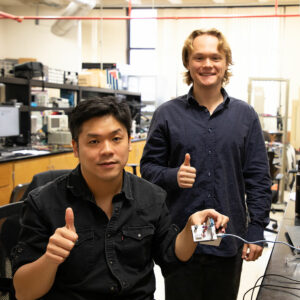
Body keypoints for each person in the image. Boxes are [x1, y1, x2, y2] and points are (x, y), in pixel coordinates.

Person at [11, 97, 229, 300]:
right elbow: (23, 292)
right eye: (94, 142)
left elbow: (171, 257)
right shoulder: (44, 202)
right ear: (75, 148)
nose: (107, 150)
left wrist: (193, 229)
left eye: (116, 139)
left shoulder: (151, 196)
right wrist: (50, 258)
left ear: (129, 142)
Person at [140, 28, 272, 300]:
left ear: (226, 63)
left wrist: (257, 227)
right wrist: (172, 175)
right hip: (180, 241)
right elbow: (148, 170)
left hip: (228, 239)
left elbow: (258, 178)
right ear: (188, 63)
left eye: (215, 57)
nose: (208, 64)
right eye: (199, 57)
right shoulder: (167, 114)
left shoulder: (245, 116)